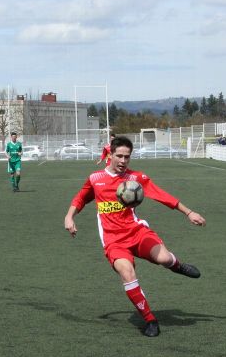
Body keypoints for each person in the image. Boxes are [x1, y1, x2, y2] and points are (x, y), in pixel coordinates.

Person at [63, 136, 206, 337]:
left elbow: (161, 195)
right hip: (113, 240)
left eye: (127, 157)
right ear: (110, 155)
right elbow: (80, 198)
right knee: (127, 273)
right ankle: (150, 320)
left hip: (137, 232)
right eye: (119, 156)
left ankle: (177, 265)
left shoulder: (136, 179)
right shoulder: (95, 179)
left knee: (164, 258)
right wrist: (69, 217)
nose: (123, 161)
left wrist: (189, 212)